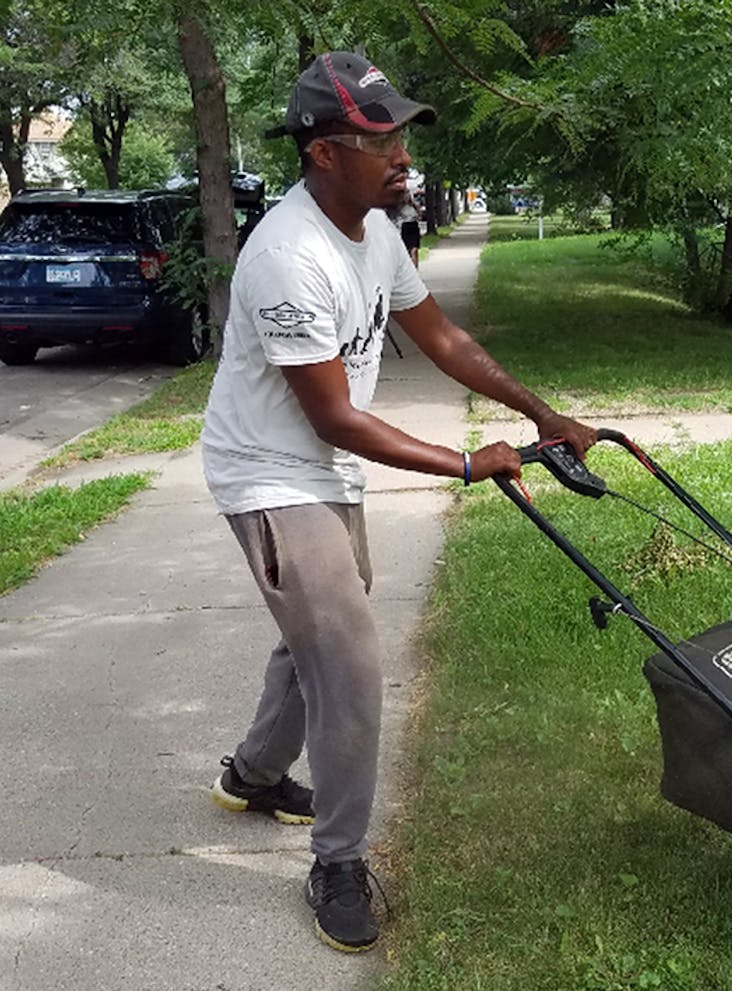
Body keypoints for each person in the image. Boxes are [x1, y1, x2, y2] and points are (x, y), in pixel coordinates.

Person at [199, 51, 596, 954]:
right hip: (269, 473)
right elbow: (336, 417)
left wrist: (539, 410)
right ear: (323, 154)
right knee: (346, 659)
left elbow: (440, 333)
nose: (401, 152)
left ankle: (255, 775)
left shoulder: (376, 229)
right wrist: (466, 463)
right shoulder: (287, 257)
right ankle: (338, 860)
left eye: (401, 132)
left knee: (314, 636)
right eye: (379, 137)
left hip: (322, 470)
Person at [390, 188, 421, 267]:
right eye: (404, 195)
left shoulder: (414, 205)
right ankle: (410, 267)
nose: (406, 197)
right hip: (405, 227)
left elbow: (419, 216)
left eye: (407, 195)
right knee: (408, 251)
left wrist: (417, 216)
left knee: (415, 250)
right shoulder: (399, 207)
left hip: (414, 227)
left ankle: (415, 269)